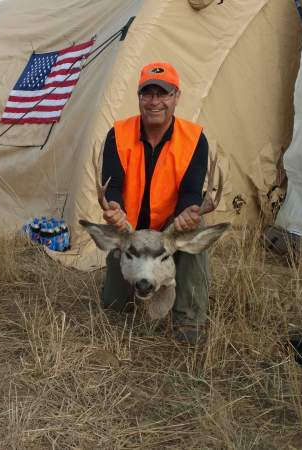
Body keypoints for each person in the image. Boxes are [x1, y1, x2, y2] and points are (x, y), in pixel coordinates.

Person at [99, 61, 211, 343]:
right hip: (132, 231)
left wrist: (187, 214)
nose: (154, 102)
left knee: (196, 230)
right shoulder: (118, 134)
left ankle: (188, 321)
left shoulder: (195, 139)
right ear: (139, 97)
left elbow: (191, 191)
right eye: (147, 94)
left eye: (163, 94)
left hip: (169, 230)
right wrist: (115, 209)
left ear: (176, 97)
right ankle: (136, 290)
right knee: (113, 306)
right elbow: (112, 185)